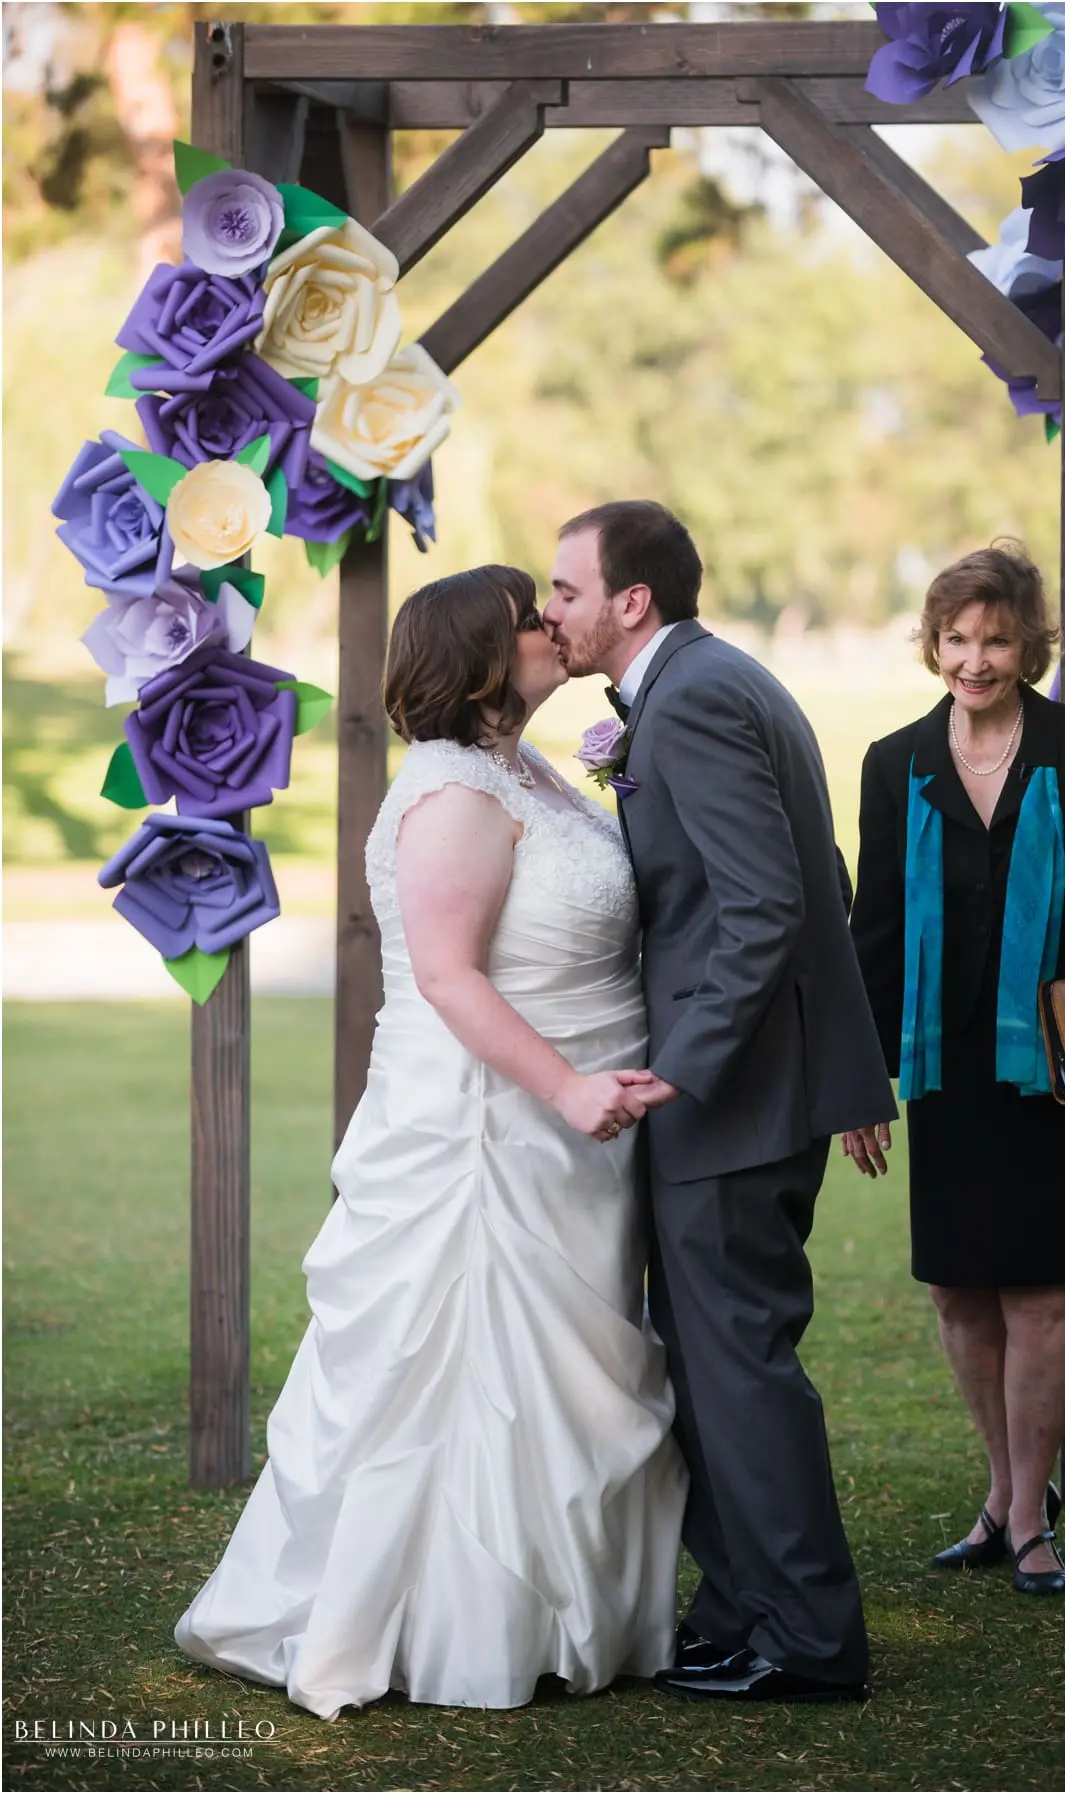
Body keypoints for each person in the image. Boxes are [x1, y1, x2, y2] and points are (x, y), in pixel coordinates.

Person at [174, 565, 687, 1717]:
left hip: (571, 1139)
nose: (553, 624)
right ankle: (455, 1627)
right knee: (459, 1365)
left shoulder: (527, 770)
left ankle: (565, 1609)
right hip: (487, 1128)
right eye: (529, 616)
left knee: (564, 1367)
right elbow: (450, 978)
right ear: (482, 654)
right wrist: (564, 1088)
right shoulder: (453, 791)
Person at [544, 501, 896, 1705]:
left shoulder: (690, 699)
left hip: (731, 1094)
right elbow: (815, 875)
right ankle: (742, 1606)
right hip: (758, 1079)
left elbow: (767, 907)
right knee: (708, 1356)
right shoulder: (710, 679)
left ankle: (808, 1639)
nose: (551, 612)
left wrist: (683, 1064)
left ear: (629, 601)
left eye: (565, 590)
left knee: (738, 1364)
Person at [844, 543, 1065, 1596]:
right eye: (956, 637)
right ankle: (1001, 1494)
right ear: (932, 643)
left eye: (996, 638)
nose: (976, 659)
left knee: (1043, 1295)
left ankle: (1032, 1513)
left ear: (1029, 642)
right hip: (943, 1069)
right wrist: (858, 1082)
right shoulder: (892, 761)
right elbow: (872, 935)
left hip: (1059, 1068)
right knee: (960, 1294)